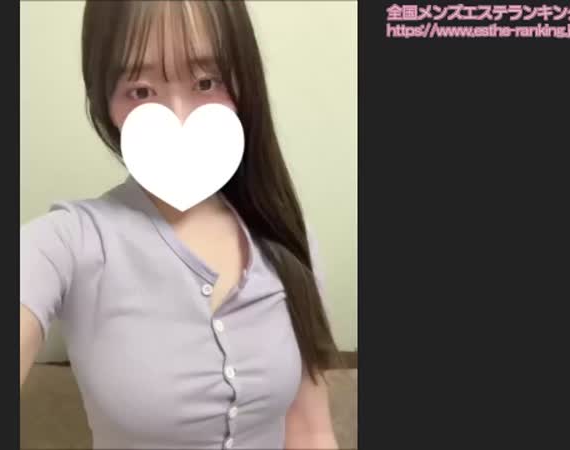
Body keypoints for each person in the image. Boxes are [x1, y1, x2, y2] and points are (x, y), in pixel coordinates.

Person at [20, 1, 342, 448]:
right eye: (140, 91)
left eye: (207, 82)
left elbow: (311, 431)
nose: (179, 117)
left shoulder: (287, 236)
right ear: (104, 102)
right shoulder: (66, 242)